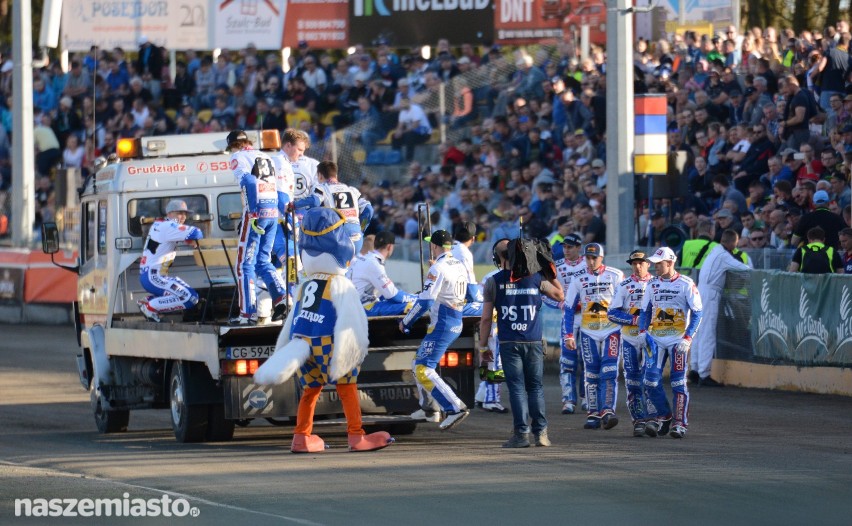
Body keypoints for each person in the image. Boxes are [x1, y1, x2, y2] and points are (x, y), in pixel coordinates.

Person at [479, 238, 564, 448]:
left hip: (509, 342)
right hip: (533, 341)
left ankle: (521, 434)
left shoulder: (493, 281)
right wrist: (547, 268)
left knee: (516, 388)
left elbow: (486, 319)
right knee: (535, 387)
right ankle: (541, 433)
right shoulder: (536, 278)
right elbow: (560, 294)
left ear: (498, 257)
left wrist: (483, 347)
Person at [401, 230, 470, 430]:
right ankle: (429, 408)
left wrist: (406, 322)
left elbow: (425, 301)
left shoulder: (437, 268)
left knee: (423, 369)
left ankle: (455, 408)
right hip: (455, 320)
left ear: (435, 246)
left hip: (443, 323)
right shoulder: (458, 264)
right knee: (417, 363)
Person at [639, 247, 703, 439]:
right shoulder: (651, 284)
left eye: (659, 264)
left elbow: (698, 312)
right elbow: (645, 310)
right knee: (649, 380)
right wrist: (643, 331)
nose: (655, 267)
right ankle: (665, 415)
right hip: (656, 339)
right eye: (654, 263)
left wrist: (688, 337)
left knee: (678, 382)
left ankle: (680, 423)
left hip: (678, 340)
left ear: (670, 263)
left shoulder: (686, 283)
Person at [227, 129, 289, 325]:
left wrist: (253, 211)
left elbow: (248, 180)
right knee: (263, 260)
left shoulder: (238, 157)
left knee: (244, 264)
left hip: (257, 212)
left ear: (233, 145)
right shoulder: (266, 156)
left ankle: (247, 314)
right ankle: (282, 297)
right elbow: (279, 189)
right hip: (272, 211)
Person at [563, 243, 625, 430]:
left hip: (611, 330)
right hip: (588, 331)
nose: (590, 262)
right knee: (591, 372)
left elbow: (625, 304)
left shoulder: (616, 275)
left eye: (594, 258)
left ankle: (607, 410)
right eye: (588, 258)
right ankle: (593, 413)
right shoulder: (578, 279)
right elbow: (568, 308)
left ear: (602, 257)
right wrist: (569, 335)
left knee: (609, 371)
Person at [689, 230, 751, 387]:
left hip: (700, 291)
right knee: (708, 333)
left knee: (699, 332)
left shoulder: (714, 252)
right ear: (732, 242)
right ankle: (704, 374)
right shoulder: (723, 255)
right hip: (710, 294)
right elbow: (744, 268)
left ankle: (695, 370)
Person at [607, 250, 653, 437]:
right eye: (634, 263)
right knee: (633, 381)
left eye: (641, 262)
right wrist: (634, 321)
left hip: (651, 339)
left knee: (651, 379)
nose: (637, 266)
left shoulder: (656, 283)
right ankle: (639, 420)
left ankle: (653, 418)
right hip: (629, 340)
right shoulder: (624, 285)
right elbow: (612, 313)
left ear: (648, 264)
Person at [137, 200, 204, 322]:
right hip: (154, 277)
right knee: (190, 298)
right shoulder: (168, 226)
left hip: (150, 275)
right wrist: (190, 239)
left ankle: (148, 301)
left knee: (188, 295)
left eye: (185, 214)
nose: (183, 217)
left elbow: (182, 237)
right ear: (169, 214)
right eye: (179, 213)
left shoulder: (160, 224)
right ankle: (150, 307)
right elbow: (197, 232)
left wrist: (187, 240)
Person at [548, 233, 588, 414]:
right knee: (567, 360)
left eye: (570, 247)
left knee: (587, 358)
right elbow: (544, 294)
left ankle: (587, 397)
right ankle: (568, 400)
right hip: (569, 317)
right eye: (564, 247)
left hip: (588, 317)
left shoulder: (589, 264)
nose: (566, 250)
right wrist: (559, 303)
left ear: (579, 247)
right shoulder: (557, 267)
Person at [304, 161, 373, 257]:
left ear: (320, 175)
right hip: (356, 240)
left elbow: (314, 202)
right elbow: (369, 210)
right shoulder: (351, 190)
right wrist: (360, 229)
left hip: (337, 238)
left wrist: (293, 205)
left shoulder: (322, 188)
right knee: (346, 269)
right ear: (336, 175)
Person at [347, 230, 416, 316]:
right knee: (414, 306)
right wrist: (417, 298)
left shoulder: (366, 258)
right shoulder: (374, 263)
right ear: (390, 247)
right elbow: (393, 295)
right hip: (362, 308)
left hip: (354, 305)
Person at [451, 221, 483, 316]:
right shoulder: (464, 252)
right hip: (453, 304)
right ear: (473, 238)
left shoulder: (448, 248)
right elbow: (472, 290)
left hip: (442, 300)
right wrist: (482, 299)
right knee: (489, 307)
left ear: (454, 236)